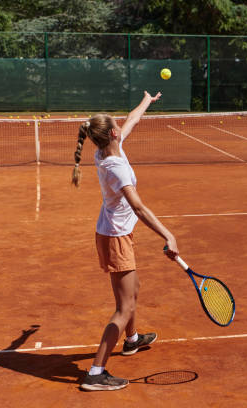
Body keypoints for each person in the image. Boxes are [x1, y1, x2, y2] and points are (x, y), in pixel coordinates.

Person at [72, 91, 179, 391]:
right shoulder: (116, 167)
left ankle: (131, 340)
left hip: (113, 232)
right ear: (114, 133)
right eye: (118, 125)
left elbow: (131, 120)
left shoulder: (106, 151)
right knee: (124, 307)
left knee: (133, 293)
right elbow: (139, 207)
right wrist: (168, 235)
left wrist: (148, 100)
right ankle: (95, 372)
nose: (123, 124)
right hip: (116, 237)